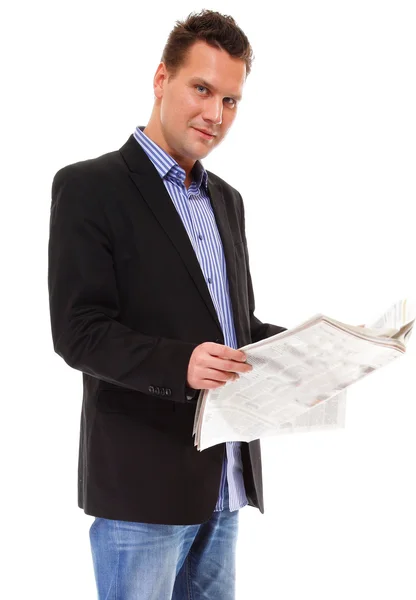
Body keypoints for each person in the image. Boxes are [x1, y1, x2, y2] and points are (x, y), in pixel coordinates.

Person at [47, 10, 286, 600]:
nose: (215, 114)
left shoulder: (226, 201)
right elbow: (78, 331)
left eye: (231, 100)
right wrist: (179, 364)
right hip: (142, 491)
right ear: (161, 79)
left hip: (224, 481)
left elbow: (233, 326)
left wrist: (318, 348)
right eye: (201, 89)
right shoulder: (89, 187)